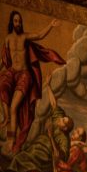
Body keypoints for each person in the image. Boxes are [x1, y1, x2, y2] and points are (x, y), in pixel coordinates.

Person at [0, 11, 64, 153]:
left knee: (14, 107)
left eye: (20, 21)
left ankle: (11, 141)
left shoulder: (25, 37)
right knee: (2, 85)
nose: (18, 24)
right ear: (12, 22)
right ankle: (5, 118)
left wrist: (51, 25)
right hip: (12, 72)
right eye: (16, 21)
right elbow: (4, 60)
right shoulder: (8, 39)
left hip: (24, 74)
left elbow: (40, 35)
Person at [3, 81, 73, 172]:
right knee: (22, 155)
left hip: (46, 156)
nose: (61, 119)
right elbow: (53, 103)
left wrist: (50, 137)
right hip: (38, 144)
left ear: (65, 128)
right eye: (63, 118)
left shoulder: (64, 139)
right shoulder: (58, 118)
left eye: (64, 121)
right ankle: (10, 171)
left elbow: (59, 156)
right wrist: (49, 85)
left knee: (28, 158)